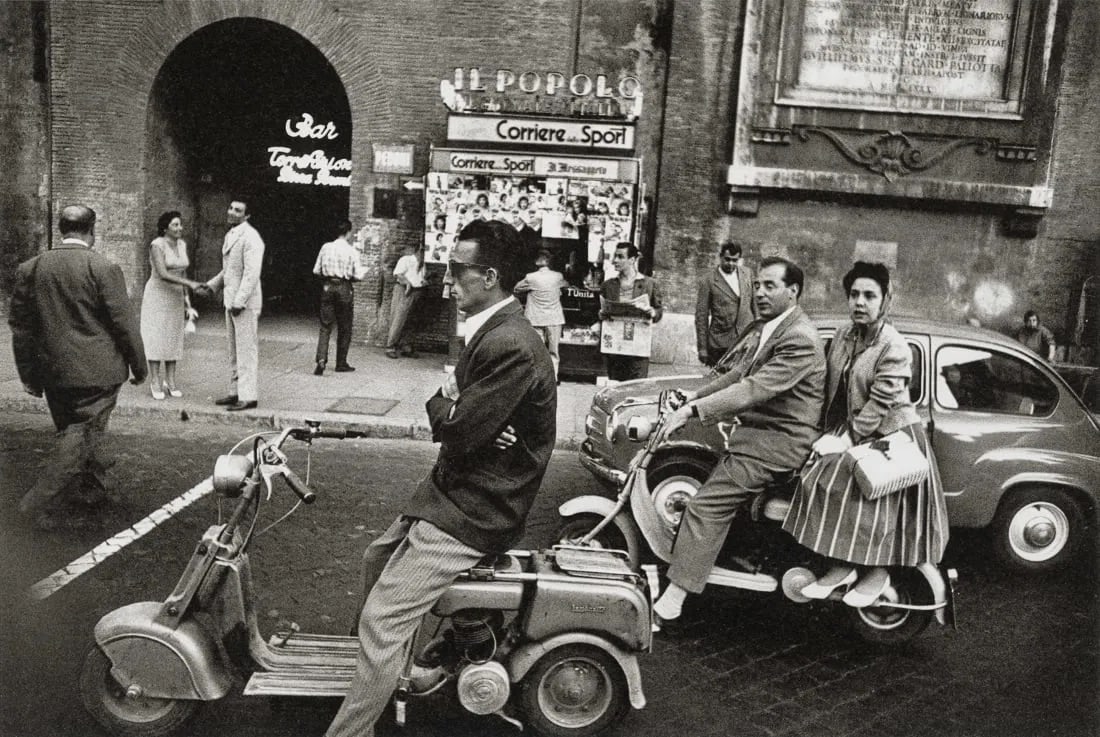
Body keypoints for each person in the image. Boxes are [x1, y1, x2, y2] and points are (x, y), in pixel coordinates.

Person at [324, 219, 557, 737]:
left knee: (381, 621)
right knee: (375, 557)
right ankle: (396, 673)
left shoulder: (510, 343)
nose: (449, 283)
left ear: (490, 276)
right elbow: (465, 425)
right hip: (457, 491)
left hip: (479, 506)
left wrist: (448, 401)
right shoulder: (495, 332)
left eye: (457, 271)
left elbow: (455, 429)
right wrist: (457, 409)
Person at [651, 256, 825, 626]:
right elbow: (736, 374)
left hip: (777, 443)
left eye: (770, 286)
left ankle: (674, 601)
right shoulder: (772, 327)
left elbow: (752, 389)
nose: (759, 292)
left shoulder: (799, 338)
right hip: (759, 438)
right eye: (757, 285)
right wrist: (691, 398)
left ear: (793, 291)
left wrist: (693, 413)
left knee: (705, 506)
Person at [782, 262, 950, 605]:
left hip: (890, 436)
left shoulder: (894, 347)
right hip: (852, 427)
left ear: (886, 300)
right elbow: (831, 385)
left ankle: (876, 571)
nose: (860, 302)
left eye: (869, 295)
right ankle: (841, 567)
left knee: (871, 500)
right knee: (817, 479)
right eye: (854, 294)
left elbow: (879, 404)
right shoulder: (845, 334)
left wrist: (845, 440)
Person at [9, 205, 147, 531]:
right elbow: (124, 325)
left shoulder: (31, 268)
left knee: (77, 434)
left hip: (53, 374)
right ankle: (34, 504)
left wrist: (29, 375)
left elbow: (21, 328)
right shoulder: (103, 268)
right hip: (98, 374)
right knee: (79, 440)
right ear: (91, 230)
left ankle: (91, 492)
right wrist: (139, 367)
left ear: (60, 229)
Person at [195, 198, 265, 411]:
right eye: (231, 208)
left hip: (243, 303)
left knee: (246, 350)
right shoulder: (231, 234)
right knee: (234, 350)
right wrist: (211, 286)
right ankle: (235, 392)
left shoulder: (251, 238)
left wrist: (239, 301)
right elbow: (231, 270)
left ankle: (249, 396)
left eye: (238, 210)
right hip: (231, 300)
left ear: (247, 216)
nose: (232, 212)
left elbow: (251, 274)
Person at [140, 210, 203, 398]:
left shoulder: (182, 244)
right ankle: (155, 381)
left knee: (173, 337)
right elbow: (163, 273)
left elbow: (181, 272)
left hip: (176, 296)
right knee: (156, 337)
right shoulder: (156, 245)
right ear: (165, 227)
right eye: (175, 225)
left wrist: (187, 300)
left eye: (180, 224)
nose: (180, 228)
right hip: (158, 295)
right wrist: (191, 284)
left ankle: (171, 380)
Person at [598, 242, 664, 380]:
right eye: (615, 256)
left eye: (620, 257)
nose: (615, 260)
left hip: (638, 345)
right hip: (616, 346)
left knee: (636, 386)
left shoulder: (649, 284)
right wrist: (601, 314)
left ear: (632, 260)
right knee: (615, 384)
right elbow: (599, 312)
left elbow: (658, 312)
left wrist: (652, 312)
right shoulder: (608, 285)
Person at [313, 220, 365, 375]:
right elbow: (358, 275)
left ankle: (321, 359)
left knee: (325, 325)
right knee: (345, 326)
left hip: (328, 286)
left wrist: (327, 278)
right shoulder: (352, 251)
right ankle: (341, 363)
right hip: (344, 287)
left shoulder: (325, 247)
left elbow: (316, 270)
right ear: (349, 232)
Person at [695, 240, 755, 367]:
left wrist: (758, 332)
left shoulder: (747, 274)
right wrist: (702, 348)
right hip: (720, 343)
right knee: (719, 382)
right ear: (720, 257)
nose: (731, 264)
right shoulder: (708, 280)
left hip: (746, 341)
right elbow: (701, 316)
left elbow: (755, 306)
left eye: (735, 260)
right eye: (727, 259)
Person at [514, 249, 568, 380]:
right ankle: (553, 378)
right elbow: (566, 286)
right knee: (553, 351)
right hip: (554, 318)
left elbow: (516, 288)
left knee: (536, 350)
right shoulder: (558, 276)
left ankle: (537, 378)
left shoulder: (530, 277)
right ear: (549, 261)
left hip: (535, 318)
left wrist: (529, 291)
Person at [385, 242, 426, 359]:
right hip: (404, 290)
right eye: (423, 251)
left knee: (412, 320)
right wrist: (407, 283)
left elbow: (420, 277)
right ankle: (390, 346)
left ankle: (406, 346)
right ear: (419, 251)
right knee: (399, 318)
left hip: (417, 291)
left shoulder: (423, 264)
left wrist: (424, 281)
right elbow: (397, 274)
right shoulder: (406, 260)